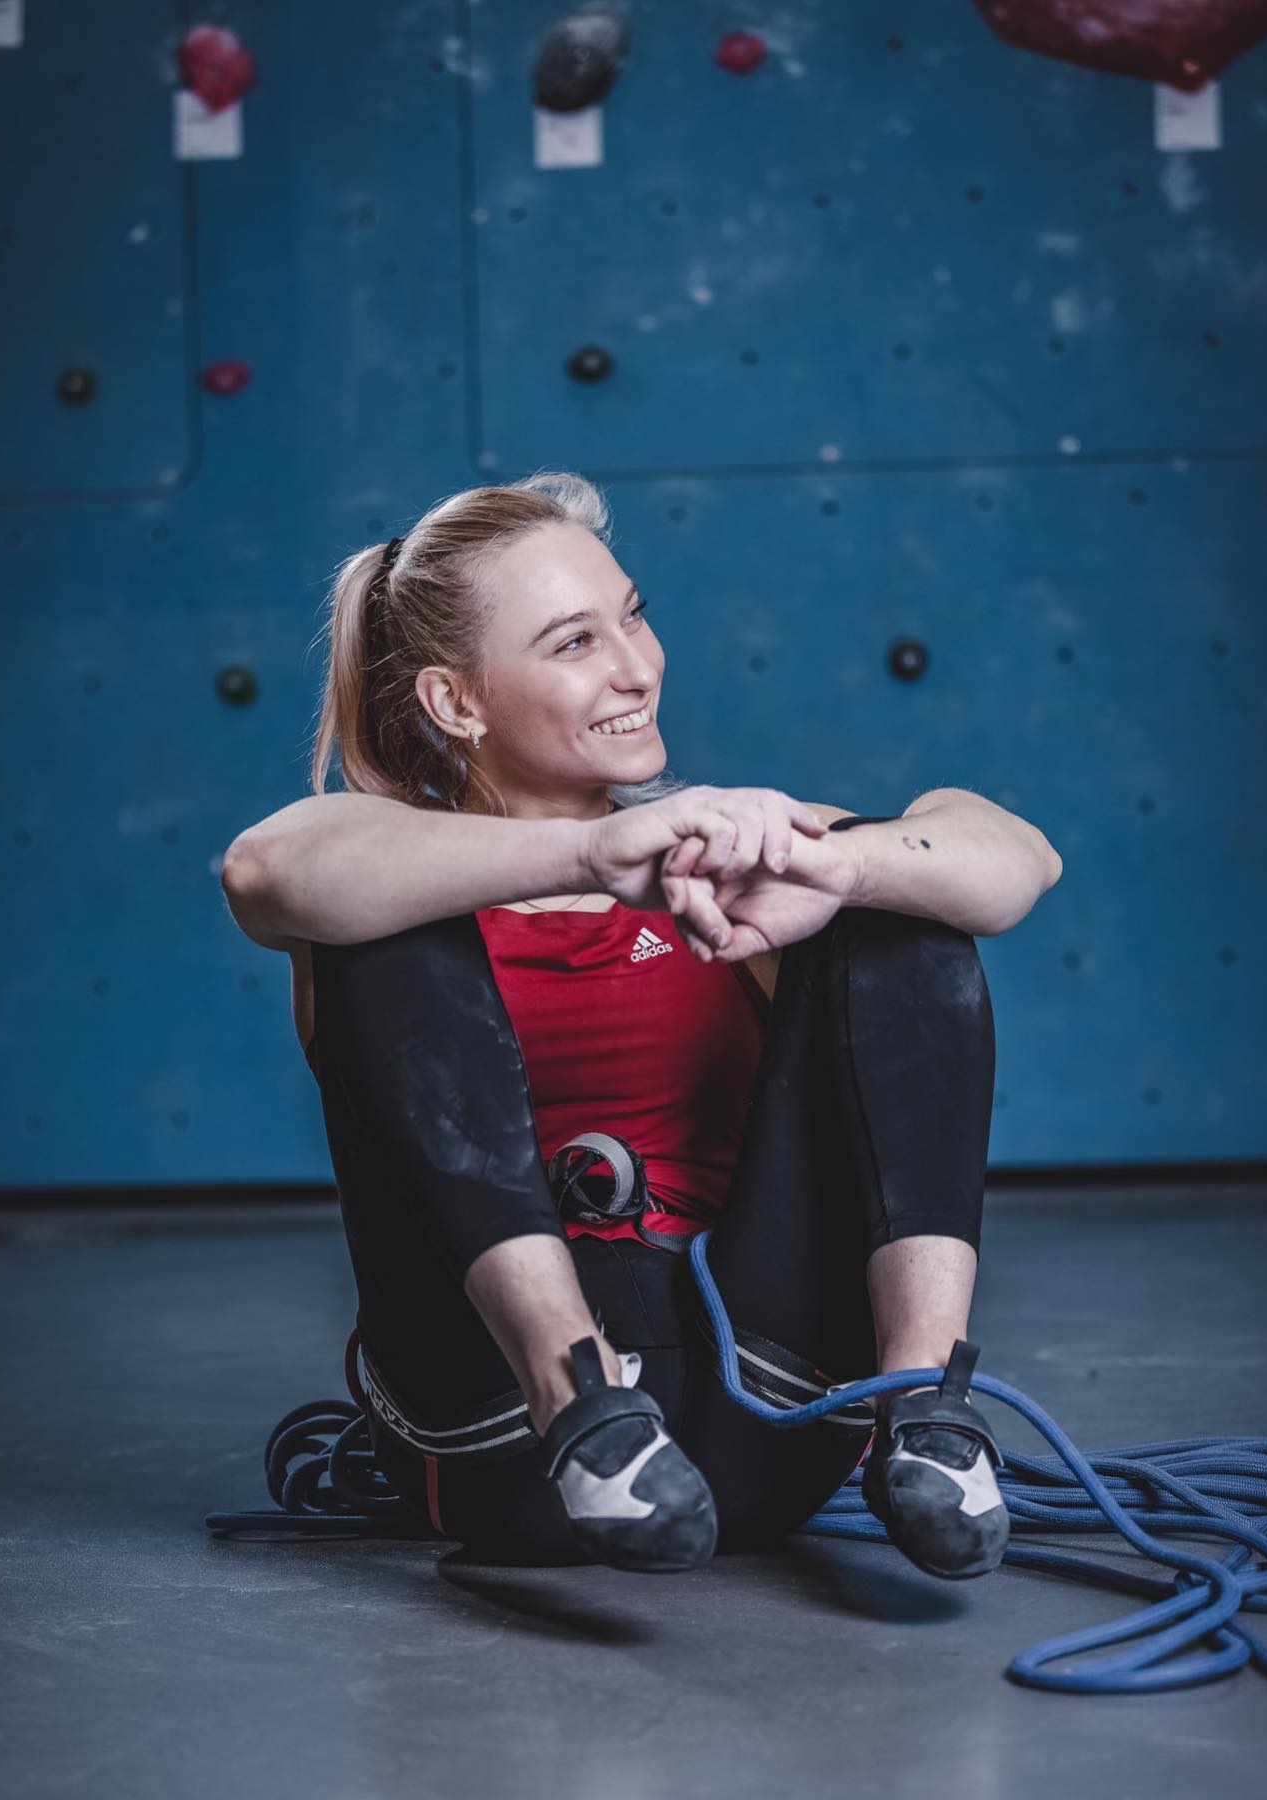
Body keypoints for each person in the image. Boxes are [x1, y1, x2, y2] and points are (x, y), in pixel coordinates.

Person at [222, 472, 1060, 1576]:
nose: (636, 666)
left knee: (895, 897)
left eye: (634, 615)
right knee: (387, 921)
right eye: (574, 643)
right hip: (504, 1438)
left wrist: (839, 863)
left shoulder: (721, 864)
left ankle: (927, 1416)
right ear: (456, 702)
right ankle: (585, 1409)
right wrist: (586, 854)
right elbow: (267, 868)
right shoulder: (369, 866)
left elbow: (1014, 860)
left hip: (763, 1410)